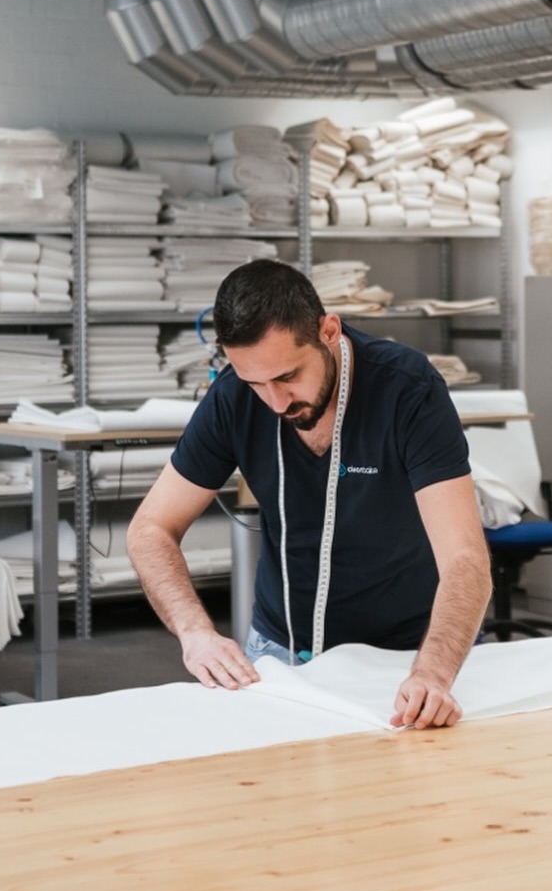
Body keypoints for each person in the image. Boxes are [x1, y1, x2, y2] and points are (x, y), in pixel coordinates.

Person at [127, 259, 491, 729]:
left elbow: (467, 560)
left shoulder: (406, 390)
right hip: (279, 653)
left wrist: (433, 673)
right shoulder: (233, 398)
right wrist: (195, 633)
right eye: (256, 383)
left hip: (408, 658)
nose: (276, 401)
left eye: (287, 376)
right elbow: (150, 529)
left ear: (328, 331)